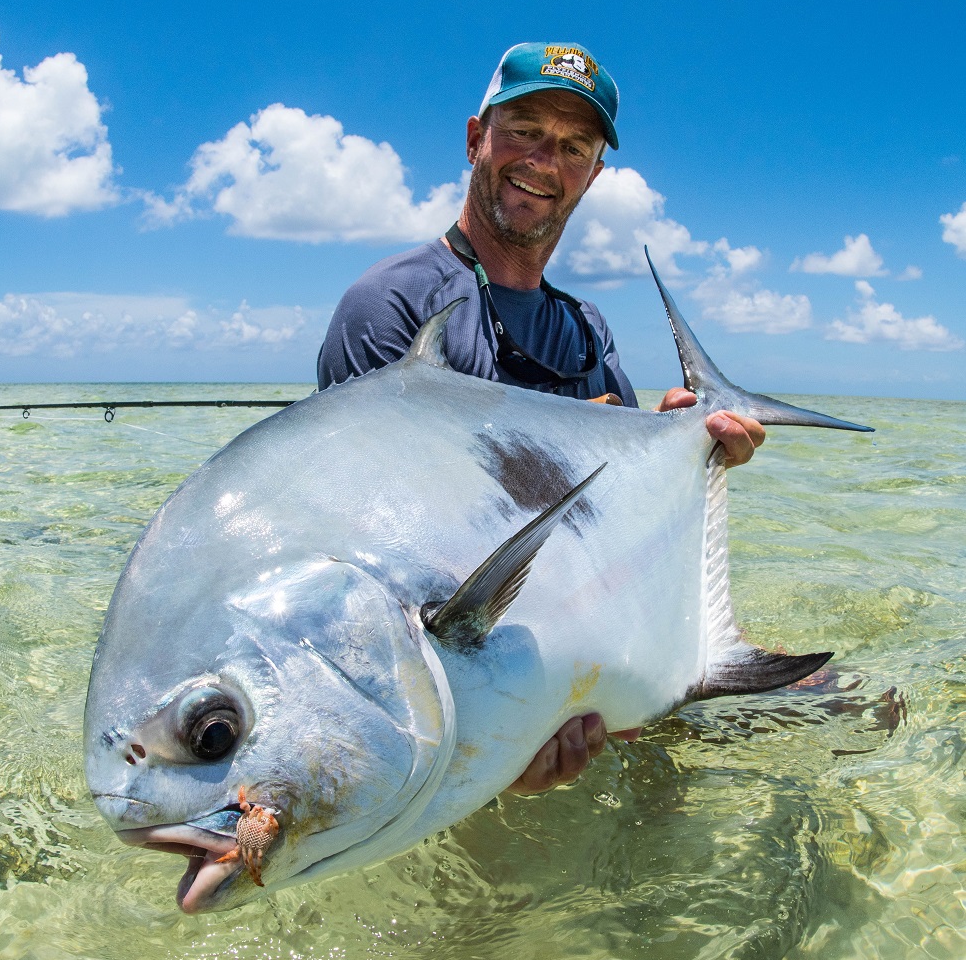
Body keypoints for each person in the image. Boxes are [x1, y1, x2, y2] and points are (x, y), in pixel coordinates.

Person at [318, 42, 765, 794]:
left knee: (849, 710)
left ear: (593, 175)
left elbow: (610, 527)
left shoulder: (586, 326)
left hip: (585, 672)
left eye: (573, 146)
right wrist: (491, 744)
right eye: (523, 130)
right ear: (475, 139)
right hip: (456, 698)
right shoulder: (390, 305)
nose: (543, 160)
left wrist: (686, 446)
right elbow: (366, 557)